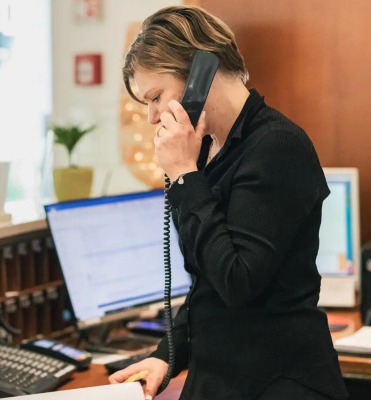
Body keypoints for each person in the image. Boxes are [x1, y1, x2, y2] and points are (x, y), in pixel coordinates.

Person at [108, 6, 348, 400]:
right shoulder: (206, 152)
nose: (151, 117)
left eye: (155, 97)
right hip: (219, 377)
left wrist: (185, 175)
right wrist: (167, 354)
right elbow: (208, 285)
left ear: (201, 73)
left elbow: (237, 281)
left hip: (277, 382)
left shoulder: (276, 146)